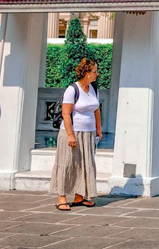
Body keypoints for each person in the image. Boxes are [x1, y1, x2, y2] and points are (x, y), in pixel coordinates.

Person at [50, 58, 101, 211]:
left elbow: (96, 110)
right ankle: (61, 197)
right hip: (72, 132)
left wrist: (99, 128)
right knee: (67, 163)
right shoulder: (72, 89)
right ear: (86, 72)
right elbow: (66, 114)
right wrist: (70, 135)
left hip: (89, 133)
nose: (96, 74)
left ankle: (80, 196)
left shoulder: (93, 89)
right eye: (94, 72)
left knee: (86, 164)